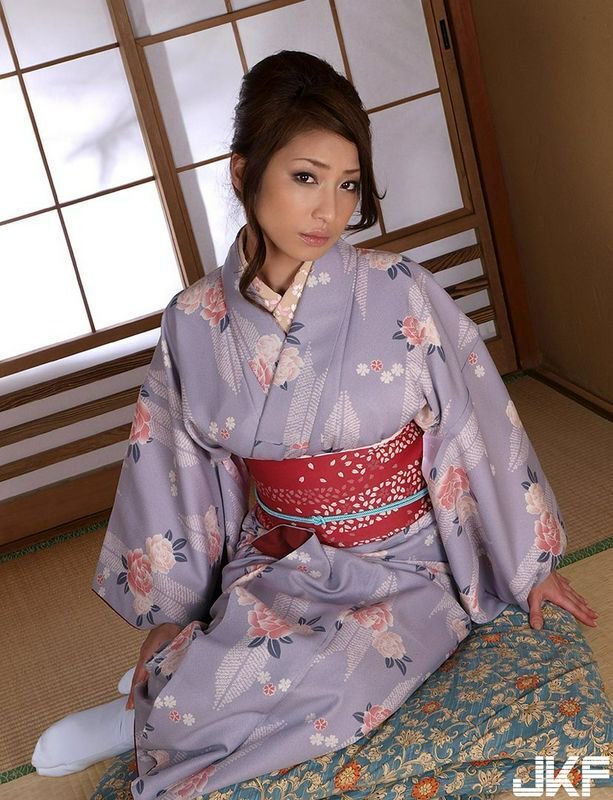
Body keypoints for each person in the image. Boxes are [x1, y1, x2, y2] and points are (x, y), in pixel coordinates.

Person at [32, 50, 597, 798]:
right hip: (279, 555)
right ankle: (157, 698)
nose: (329, 211)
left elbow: (477, 422)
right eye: (305, 178)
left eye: (347, 184)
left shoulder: (398, 289)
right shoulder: (193, 321)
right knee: (248, 651)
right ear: (243, 173)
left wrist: (530, 563)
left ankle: (164, 705)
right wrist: (168, 614)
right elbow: (179, 471)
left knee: (338, 682)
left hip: (405, 562)